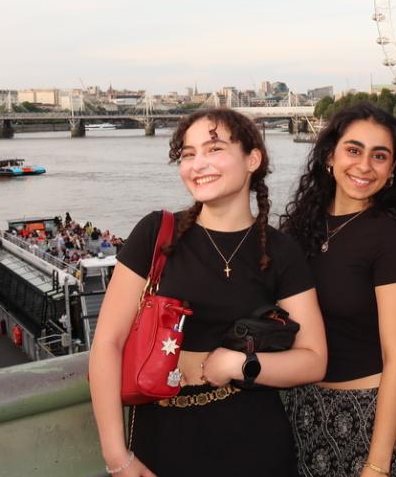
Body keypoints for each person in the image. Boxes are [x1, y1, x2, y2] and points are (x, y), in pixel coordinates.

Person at [89, 108, 327, 477]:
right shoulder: (156, 234)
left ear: (252, 159)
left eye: (214, 149)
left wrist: (240, 365)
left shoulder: (280, 251)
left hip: (254, 441)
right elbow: (107, 343)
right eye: (187, 154)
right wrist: (116, 457)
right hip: (162, 438)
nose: (197, 164)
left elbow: (314, 358)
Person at [282, 102, 396, 477]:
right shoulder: (303, 228)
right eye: (353, 150)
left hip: (369, 414)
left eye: (379, 155)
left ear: (393, 167)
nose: (364, 165)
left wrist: (378, 464)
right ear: (330, 156)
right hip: (302, 408)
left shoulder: (390, 237)